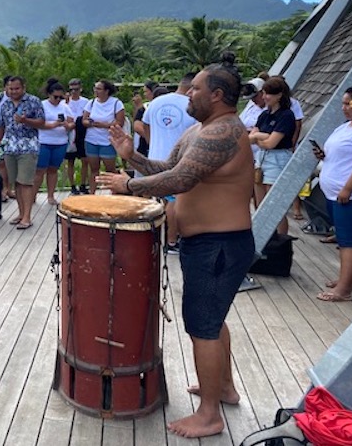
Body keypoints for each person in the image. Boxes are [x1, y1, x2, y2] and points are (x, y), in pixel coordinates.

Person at [98, 53, 254, 439]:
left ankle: (210, 414)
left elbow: (182, 180)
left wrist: (129, 185)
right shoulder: (198, 130)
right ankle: (224, 387)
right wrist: (132, 157)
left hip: (220, 244)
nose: (188, 93)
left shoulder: (225, 132)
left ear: (216, 95)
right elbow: (167, 168)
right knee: (212, 319)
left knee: (203, 326)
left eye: (196, 88)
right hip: (207, 244)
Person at [313, 87, 352, 302]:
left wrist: (348, 188)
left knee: (348, 242)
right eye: (343, 103)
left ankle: (343, 290)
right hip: (336, 195)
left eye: (349, 104)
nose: (344, 108)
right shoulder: (345, 127)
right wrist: (323, 154)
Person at [143, 73, 198, 253]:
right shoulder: (192, 105)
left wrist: (154, 143)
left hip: (154, 157)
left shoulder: (157, 102)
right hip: (177, 160)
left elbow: (145, 125)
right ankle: (172, 241)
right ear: (192, 87)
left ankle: (156, 237)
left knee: (159, 200)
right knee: (175, 200)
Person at [0, 76, 45, 229]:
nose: (14, 91)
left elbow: (42, 122)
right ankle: (21, 213)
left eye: (17, 88)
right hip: (10, 147)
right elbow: (1, 126)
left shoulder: (34, 101)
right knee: (16, 183)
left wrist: (25, 121)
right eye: (11, 89)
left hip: (28, 147)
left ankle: (27, 217)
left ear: (23, 88)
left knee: (26, 182)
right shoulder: (5, 104)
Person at [248, 76, 296, 235]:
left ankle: (280, 240)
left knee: (274, 206)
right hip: (262, 159)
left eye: (268, 94)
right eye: (264, 93)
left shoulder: (287, 115)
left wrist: (259, 137)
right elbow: (252, 138)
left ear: (279, 95)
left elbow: (271, 143)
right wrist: (264, 137)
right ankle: (263, 237)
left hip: (278, 159)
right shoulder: (264, 115)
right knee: (260, 204)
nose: (264, 97)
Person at [34, 79, 74, 205]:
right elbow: (37, 124)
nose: (58, 100)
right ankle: (33, 195)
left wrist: (68, 125)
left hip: (60, 142)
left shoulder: (65, 106)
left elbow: (72, 122)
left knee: (53, 170)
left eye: (60, 97)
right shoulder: (41, 105)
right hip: (44, 141)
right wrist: (54, 124)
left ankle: (51, 195)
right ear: (49, 94)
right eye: (55, 97)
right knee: (40, 170)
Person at [82, 79, 125, 193]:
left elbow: (119, 122)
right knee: (94, 169)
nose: (96, 91)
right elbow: (84, 120)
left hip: (108, 140)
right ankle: (92, 194)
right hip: (91, 140)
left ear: (106, 91)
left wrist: (102, 125)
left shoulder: (116, 103)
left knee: (110, 169)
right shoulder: (91, 103)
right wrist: (90, 123)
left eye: (99, 89)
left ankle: (115, 193)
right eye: (95, 88)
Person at [239, 78, 267, 208]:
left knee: (261, 192)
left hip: (262, 155)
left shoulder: (269, 109)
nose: (254, 100)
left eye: (256, 97)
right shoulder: (251, 106)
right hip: (248, 153)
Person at [65, 78, 89, 194]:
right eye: (71, 90)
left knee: (85, 160)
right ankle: (72, 186)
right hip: (69, 131)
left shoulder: (86, 102)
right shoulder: (65, 102)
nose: (74, 92)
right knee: (70, 161)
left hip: (82, 130)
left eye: (76, 89)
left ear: (81, 89)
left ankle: (83, 184)